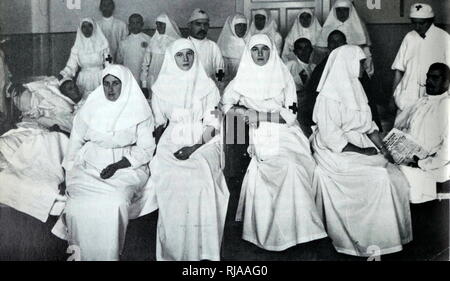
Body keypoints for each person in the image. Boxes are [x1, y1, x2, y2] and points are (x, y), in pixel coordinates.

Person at [222, 34, 327, 251]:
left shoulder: (284, 76)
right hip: (261, 135)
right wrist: (241, 111)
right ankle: (277, 234)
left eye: (264, 49)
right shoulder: (240, 78)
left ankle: (303, 231)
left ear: (271, 51)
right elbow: (225, 105)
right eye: (255, 49)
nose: (260, 54)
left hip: (287, 133)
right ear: (249, 53)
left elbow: (289, 116)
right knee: (285, 167)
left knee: (294, 166)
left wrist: (258, 114)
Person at [311, 45, 412, 257]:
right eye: (359, 63)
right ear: (346, 63)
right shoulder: (328, 97)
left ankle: (391, 236)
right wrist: (363, 151)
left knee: (395, 174)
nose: (363, 67)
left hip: (359, 142)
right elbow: (331, 138)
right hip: (335, 149)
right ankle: (371, 239)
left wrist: (383, 147)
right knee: (379, 176)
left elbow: (369, 126)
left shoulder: (356, 87)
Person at [59, 65, 155, 261]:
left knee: (115, 202)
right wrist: (67, 173)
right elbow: (75, 142)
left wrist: (118, 165)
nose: (110, 89)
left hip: (126, 167)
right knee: (75, 206)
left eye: (116, 84)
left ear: (125, 85)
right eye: (107, 84)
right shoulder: (91, 106)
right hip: (90, 164)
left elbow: (146, 148)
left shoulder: (139, 110)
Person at [148, 39, 229, 261]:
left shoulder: (208, 86)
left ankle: (204, 249)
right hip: (171, 139)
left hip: (203, 138)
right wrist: (154, 153)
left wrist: (194, 147)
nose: (185, 59)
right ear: (171, 59)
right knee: (173, 181)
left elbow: (214, 123)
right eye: (180, 55)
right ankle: (175, 250)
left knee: (200, 181)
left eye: (189, 54)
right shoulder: (161, 88)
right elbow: (157, 124)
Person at [395, 63, 450, 204]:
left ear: (447, 82)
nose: (429, 81)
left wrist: (421, 163)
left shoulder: (447, 107)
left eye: (435, 78)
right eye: (428, 77)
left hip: (432, 167)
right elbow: (402, 128)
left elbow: (446, 151)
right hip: (410, 158)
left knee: (391, 178)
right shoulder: (420, 102)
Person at [392, 3, 450, 115]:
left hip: (433, 99)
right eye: (414, 23)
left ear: (431, 20)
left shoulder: (444, 38)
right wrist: (392, 98)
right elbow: (399, 69)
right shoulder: (409, 37)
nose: (417, 27)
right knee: (402, 128)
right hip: (407, 97)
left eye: (421, 23)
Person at [300, 30, 347, 137]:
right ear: (328, 46)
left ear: (345, 44)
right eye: (332, 42)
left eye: (339, 41)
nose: (336, 45)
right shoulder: (321, 68)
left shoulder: (352, 64)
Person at [316, 0, 373, 77]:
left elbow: (366, 53)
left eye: (345, 10)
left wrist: (367, 72)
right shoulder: (327, 28)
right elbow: (321, 54)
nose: (342, 13)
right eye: (338, 10)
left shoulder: (359, 26)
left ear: (350, 10)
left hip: (353, 69)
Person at [58, 18, 110, 98]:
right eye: (84, 27)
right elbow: (71, 65)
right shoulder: (77, 48)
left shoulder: (103, 45)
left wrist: (111, 74)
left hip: (99, 77)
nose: (87, 29)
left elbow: (108, 62)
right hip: (83, 80)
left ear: (94, 28)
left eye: (89, 26)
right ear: (80, 29)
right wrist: (63, 74)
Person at [141, 13, 181, 99]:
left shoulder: (176, 42)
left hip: (169, 81)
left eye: (161, 24)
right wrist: (144, 83)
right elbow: (145, 64)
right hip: (152, 80)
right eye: (157, 24)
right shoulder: (152, 41)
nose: (158, 26)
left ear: (167, 26)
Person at [187, 9, 225, 84]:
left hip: (208, 89)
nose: (202, 28)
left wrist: (219, 85)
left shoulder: (213, 46)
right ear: (189, 26)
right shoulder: (182, 46)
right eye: (198, 24)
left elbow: (220, 70)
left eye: (205, 24)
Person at [116, 14, 152, 90]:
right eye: (132, 23)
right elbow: (120, 60)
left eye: (138, 23)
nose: (135, 25)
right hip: (129, 74)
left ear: (142, 24)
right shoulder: (124, 42)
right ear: (129, 25)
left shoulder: (149, 40)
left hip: (144, 75)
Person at [217, 13, 250, 85]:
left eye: (244, 25)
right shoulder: (223, 45)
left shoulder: (250, 42)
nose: (242, 28)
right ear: (231, 27)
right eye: (238, 25)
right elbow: (219, 74)